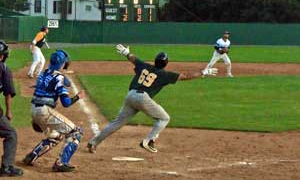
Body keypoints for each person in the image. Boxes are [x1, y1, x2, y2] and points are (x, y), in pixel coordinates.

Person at [87, 44, 217, 153]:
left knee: (116, 123)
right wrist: (204, 72)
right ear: (166, 63)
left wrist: (126, 52)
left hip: (130, 96)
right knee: (164, 118)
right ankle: (148, 141)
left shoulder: (144, 66)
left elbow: (133, 59)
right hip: (142, 98)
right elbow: (186, 76)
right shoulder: (164, 74)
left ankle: (93, 142)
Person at [23, 50, 85, 172]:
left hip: (34, 110)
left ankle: (32, 156)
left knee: (56, 136)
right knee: (75, 132)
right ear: (63, 64)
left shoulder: (43, 73)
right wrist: (78, 96)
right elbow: (66, 103)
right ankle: (61, 163)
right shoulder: (59, 78)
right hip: (44, 111)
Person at [0, 41, 23, 177]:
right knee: (11, 134)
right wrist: (8, 112)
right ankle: (7, 167)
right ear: (2, 57)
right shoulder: (4, 69)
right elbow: (8, 94)